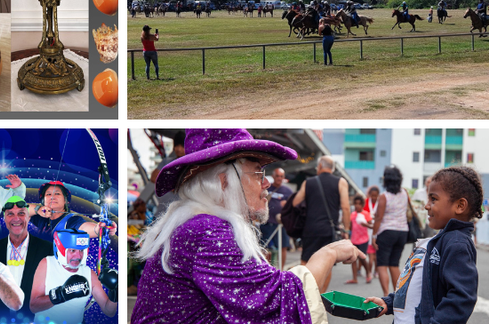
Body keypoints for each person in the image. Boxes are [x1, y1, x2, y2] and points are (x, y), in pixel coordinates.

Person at [131, 129, 364, 323]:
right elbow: (279, 302)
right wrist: (330, 252)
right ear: (224, 182)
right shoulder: (208, 231)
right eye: (258, 173)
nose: (266, 182)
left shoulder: (193, 223)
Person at [365, 166, 483, 324]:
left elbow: (461, 298)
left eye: (433, 199)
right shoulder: (437, 239)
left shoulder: (457, 243)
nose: (427, 205)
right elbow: (416, 286)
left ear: (460, 206)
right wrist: (389, 302)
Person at [0, 196, 53, 322]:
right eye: (10, 214)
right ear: (5, 219)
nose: (16, 218)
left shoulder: (47, 249)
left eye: (21, 213)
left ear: (29, 217)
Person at [29, 229, 118, 323]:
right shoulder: (47, 264)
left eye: (81, 251)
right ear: (61, 249)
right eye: (72, 250)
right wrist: (61, 294)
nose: (78, 256)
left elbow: (109, 311)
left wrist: (115, 292)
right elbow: (34, 307)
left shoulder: (89, 274)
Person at [292, 155, 351, 294]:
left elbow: (295, 203)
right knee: (327, 263)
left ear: (319, 166)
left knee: (306, 262)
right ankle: (319, 298)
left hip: (310, 229)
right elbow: (346, 207)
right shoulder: (341, 182)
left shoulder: (308, 182)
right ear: (333, 168)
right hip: (328, 230)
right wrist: (347, 230)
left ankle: (303, 296)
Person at [29, 180, 117, 242]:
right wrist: (38, 209)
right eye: (48, 194)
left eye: (57, 193)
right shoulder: (41, 217)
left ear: (66, 201)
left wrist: (99, 229)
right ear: (43, 201)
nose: (52, 197)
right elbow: (22, 209)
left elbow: (83, 228)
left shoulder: (71, 220)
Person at [371, 165, 409, 296]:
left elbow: (378, 218)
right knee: (394, 265)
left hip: (387, 232)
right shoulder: (405, 193)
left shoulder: (384, 196)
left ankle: (387, 295)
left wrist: (374, 236)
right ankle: (398, 294)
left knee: (382, 265)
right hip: (403, 232)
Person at [260, 168, 292, 270]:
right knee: (264, 247)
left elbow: (293, 208)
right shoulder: (267, 188)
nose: (279, 178)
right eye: (277, 176)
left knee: (283, 247)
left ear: (283, 177)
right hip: (267, 223)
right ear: (273, 176)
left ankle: (281, 270)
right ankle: (265, 269)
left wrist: (287, 206)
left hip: (281, 224)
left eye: (281, 176)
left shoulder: (288, 192)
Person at [150, 130, 186, 219]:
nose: (178, 149)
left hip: (180, 216)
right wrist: (172, 185)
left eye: (182, 146)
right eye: (176, 145)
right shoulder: (167, 162)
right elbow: (153, 177)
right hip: (161, 214)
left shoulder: (192, 164)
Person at [346, 195, 373, 284]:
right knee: (353, 258)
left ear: (362, 205)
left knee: (362, 257)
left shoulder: (366, 214)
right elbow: (350, 226)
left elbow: (372, 226)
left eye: (359, 204)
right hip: (354, 239)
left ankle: (368, 273)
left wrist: (366, 225)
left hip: (364, 239)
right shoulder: (352, 215)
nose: (357, 205)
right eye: (356, 204)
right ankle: (354, 278)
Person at [363, 185, 380, 278]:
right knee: (370, 253)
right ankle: (369, 272)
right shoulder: (366, 202)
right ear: (369, 195)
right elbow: (363, 214)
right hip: (367, 230)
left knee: (377, 253)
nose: (373, 197)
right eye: (372, 195)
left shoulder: (380, 202)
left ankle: (376, 271)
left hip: (377, 229)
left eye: (375, 196)